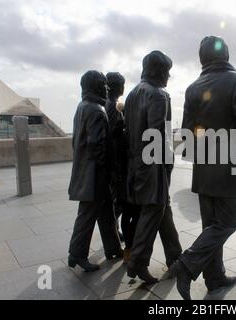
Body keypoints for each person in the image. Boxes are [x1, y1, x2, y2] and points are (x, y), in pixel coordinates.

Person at [171, 36, 236, 300]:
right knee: (228, 223)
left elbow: (187, 133)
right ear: (227, 55)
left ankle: (215, 277)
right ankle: (186, 265)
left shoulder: (192, 88)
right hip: (231, 165)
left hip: (203, 166)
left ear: (202, 58)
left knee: (210, 225)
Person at [124, 51, 182, 284]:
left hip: (136, 163)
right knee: (153, 211)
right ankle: (137, 263)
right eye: (167, 71)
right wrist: (168, 165)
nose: (168, 76)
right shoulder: (158, 95)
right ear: (159, 71)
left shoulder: (131, 94)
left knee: (161, 208)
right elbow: (160, 135)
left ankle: (175, 258)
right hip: (153, 164)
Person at [68, 70, 123, 272]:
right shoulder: (96, 111)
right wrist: (108, 170)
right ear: (97, 86)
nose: (107, 88)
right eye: (104, 84)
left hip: (87, 172)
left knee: (106, 211)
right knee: (87, 215)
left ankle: (113, 247)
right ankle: (77, 254)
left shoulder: (82, 107)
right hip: (95, 176)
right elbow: (97, 145)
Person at [105, 72, 141, 262]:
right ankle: (120, 244)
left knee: (116, 205)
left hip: (115, 165)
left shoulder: (108, 105)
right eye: (122, 85)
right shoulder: (111, 107)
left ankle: (115, 237)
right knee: (121, 204)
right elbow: (114, 138)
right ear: (118, 87)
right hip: (118, 165)